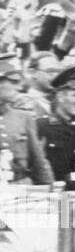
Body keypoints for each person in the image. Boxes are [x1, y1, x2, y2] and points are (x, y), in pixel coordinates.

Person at [0, 53, 53, 184]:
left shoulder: (24, 117)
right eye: (13, 81)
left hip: (20, 191)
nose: (19, 87)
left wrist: (52, 191)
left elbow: (39, 163)